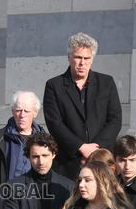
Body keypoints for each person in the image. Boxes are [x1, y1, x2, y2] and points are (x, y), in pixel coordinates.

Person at [43, 32, 122, 180]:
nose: (82, 63)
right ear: (69, 58)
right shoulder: (54, 85)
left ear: (92, 60)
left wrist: (96, 148)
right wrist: (81, 147)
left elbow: (115, 119)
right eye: (78, 57)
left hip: (102, 160)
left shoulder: (106, 83)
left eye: (87, 58)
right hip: (68, 162)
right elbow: (54, 123)